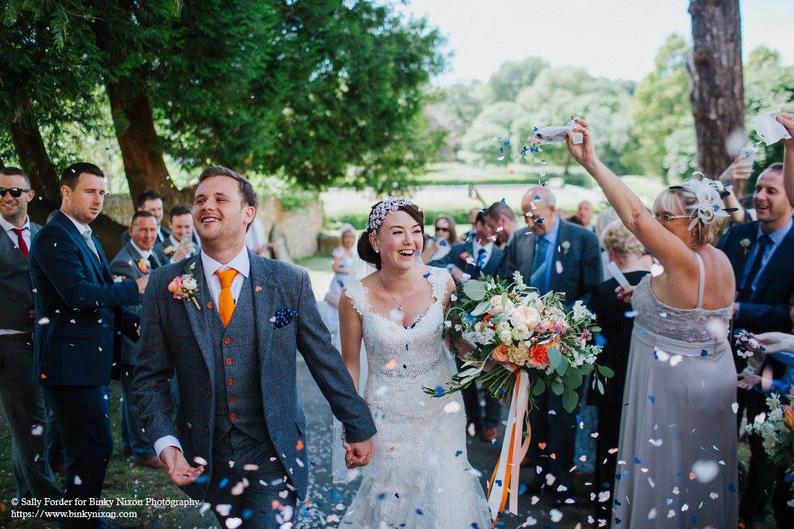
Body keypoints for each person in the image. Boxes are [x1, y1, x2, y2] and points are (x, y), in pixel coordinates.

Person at [133, 166, 375, 529]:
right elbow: (150, 376)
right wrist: (166, 442)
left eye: (219, 199)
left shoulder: (289, 281)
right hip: (207, 454)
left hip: (273, 451)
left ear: (248, 213)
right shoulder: (165, 285)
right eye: (200, 200)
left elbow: (324, 359)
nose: (206, 206)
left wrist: (357, 424)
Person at [566, 118, 738, 528]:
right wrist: (641, 297)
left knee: (664, 475)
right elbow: (686, 311)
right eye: (659, 215)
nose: (658, 224)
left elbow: (635, 217)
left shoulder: (684, 259)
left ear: (696, 221)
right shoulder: (721, 262)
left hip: (671, 387)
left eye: (668, 218)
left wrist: (591, 162)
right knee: (697, 477)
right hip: (711, 380)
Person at [338, 197, 491, 527]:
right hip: (385, 416)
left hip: (441, 411)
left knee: (444, 498)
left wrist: (500, 352)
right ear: (376, 240)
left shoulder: (443, 283)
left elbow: (459, 344)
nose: (410, 240)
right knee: (392, 506)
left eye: (416, 231)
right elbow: (350, 364)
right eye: (398, 232)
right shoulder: (353, 297)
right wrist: (354, 426)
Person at [29, 162, 146, 528]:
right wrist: (134, 289)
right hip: (67, 363)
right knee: (91, 446)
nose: (98, 200)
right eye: (90, 191)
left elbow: (100, 299)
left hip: (88, 363)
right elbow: (78, 294)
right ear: (67, 192)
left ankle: (83, 516)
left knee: (91, 447)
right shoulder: (54, 237)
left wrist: (142, 325)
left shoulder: (88, 237)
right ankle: (80, 521)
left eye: (102, 192)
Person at [514, 185, 602, 499]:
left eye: (535, 216)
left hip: (568, 344)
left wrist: (571, 323)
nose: (529, 222)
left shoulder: (583, 239)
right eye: (525, 216)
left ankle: (562, 482)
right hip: (529, 343)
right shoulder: (520, 240)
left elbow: (594, 290)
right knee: (535, 414)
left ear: (553, 211)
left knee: (563, 416)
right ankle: (541, 478)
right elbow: (509, 281)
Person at [717, 162, 794, 525]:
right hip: (721, 353)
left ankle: (753, 515)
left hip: (774, 362)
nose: (760, 197)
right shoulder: (737, 236)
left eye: (771, 191)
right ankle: (711, 502)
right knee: (717, 432)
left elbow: (788, 313)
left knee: (766, 447)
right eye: (759, 188)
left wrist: (742, 308)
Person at [0, 167, 61, 505]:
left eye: (14, 191)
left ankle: (27, 496)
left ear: (30, 194)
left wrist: (47, 308)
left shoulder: (42, 235)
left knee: (29, 419)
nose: (8, 198)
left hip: (42, 340)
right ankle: (47, 499)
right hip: (8, 341)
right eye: (1, 193)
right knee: (33, 420)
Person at [585, 221, 650, 527]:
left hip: (611, 379)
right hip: (648, 378)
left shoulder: (603, 290)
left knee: (609, 448)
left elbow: (591, 333)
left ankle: (603, 510)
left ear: (611, 252)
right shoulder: (656, 285)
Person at [429, 210, 504, 441]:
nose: (493, 232)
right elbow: (434, 264)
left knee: (493, 371)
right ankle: (472, 419)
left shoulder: (502, 255)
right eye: (489, 227)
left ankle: (491, 424)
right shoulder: (460, 250)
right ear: (479, 225)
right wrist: (452, 269)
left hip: (492, 323)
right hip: (463, 323)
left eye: (496, 228)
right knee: (467, 373)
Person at [109, 211, 163, 470]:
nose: (148, 236)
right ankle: (142, 449)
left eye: (153, 230)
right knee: (135, 398)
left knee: (134, 397)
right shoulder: (123, 263)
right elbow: (129, 309)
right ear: (131, 231)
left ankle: (132, 444)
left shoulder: (151, 257)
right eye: (143, 230)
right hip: (132, 343)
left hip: (144, 342)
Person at [325, 224, 356, 307]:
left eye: (351, 237)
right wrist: (349, 270)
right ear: (342, 238)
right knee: (339, 308)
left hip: (349, 284)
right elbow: (335, 268)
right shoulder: (339, 251)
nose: (349, 240)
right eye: (346, 237)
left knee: (348, 307)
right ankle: (328, 297)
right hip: (339, 284)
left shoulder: (354, 252)